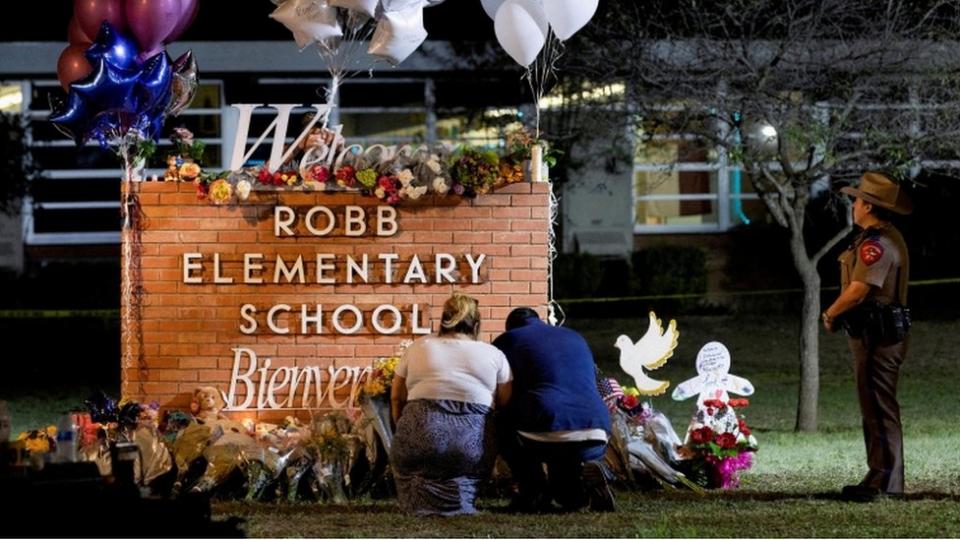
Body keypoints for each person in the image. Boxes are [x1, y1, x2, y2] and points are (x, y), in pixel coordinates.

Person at [822, 171, 912, 502]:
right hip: (873, 335)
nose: (854, 205)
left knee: (879, 406)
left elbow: (859, 291)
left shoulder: (877, 245)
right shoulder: (875, 238)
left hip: (879, 338)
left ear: (869, 207)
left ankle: (887, 482)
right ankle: (879, 475)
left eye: (858, 200)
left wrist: (831, 313)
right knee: (873, 407)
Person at [390, 293, 513, 516]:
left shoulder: (418, 347)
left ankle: (417, 504)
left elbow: (396, 397)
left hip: (418, 436)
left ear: (443, 319)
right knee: (466, 469)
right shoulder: (494, 354)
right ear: (476, 324)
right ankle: (460, 503)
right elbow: (505, 402)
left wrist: (401, 428)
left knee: (415, 465)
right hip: (470, 445)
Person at [492, 307, 615, 512]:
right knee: (569, 499)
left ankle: (532, 489)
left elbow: (500, 388)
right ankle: (586, 484)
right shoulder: (575, 336)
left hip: (546, 428)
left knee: (499, 420)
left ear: (511, 327)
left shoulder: (508, 339)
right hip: (597, 428)